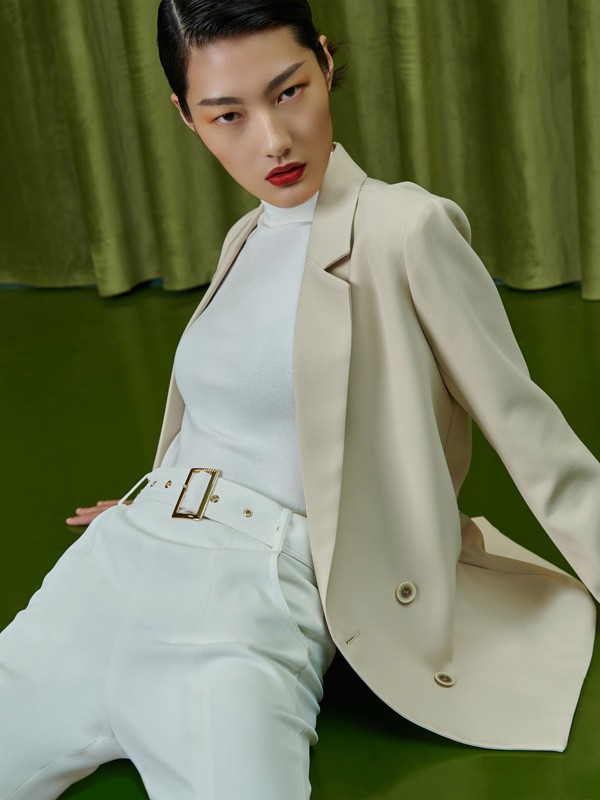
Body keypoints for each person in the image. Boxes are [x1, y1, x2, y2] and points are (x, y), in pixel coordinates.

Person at [1, 0, 599, 798]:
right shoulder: (244, 238)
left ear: (323, 60)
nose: (274, 140)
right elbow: (225, 415)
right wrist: (165, 499)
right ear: (186, 116)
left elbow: (531, 436)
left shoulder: (404, 228)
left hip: (258, 594)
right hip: (115, 564)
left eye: (289, 91)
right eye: (228, 115)